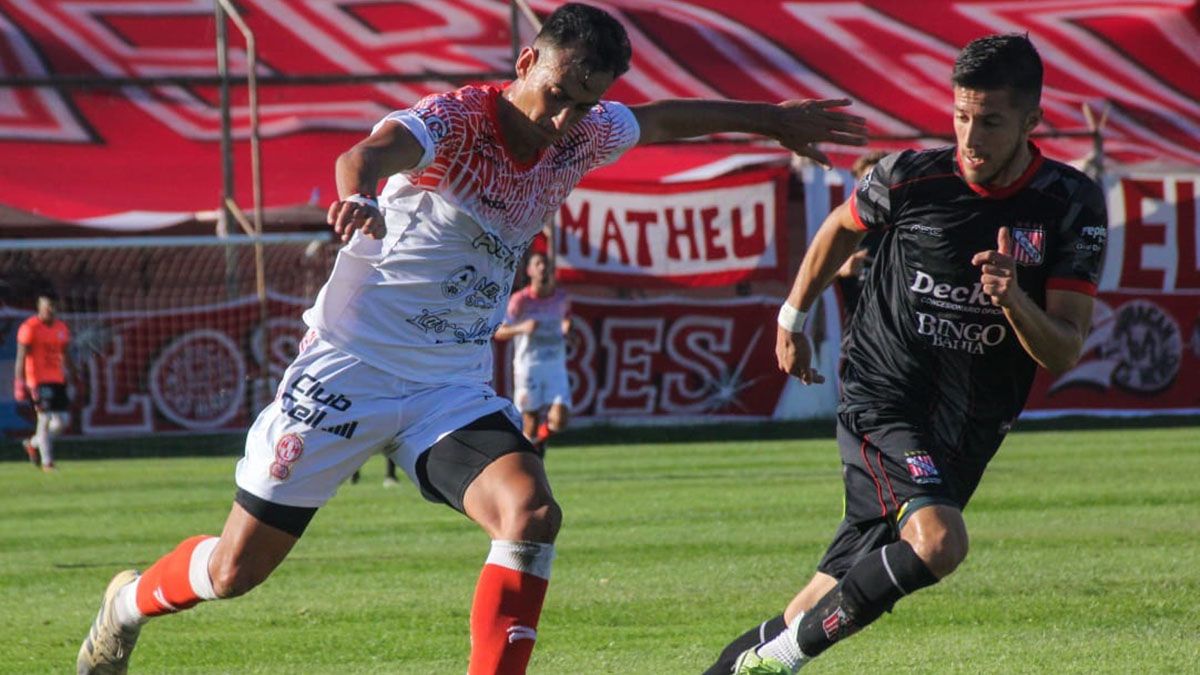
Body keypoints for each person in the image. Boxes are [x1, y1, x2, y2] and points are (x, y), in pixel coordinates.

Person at [75, 3, 866, 673]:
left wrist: (773, 121)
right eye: (556, 95)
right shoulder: (454, 120)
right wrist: (358, 197)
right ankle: (126, 602)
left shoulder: (583, 134)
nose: (564, 120)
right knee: (232, 570)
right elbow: (366, 153)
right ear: (526, 63)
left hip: (446, 386)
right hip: (349, 369)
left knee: (531, 513)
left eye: (584, 105)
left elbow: (659, 120)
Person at [706, 33, 1107, 674]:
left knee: (815, 603)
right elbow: (840, 227)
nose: (970, 137)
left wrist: (1012, 299)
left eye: (990, 121)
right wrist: (792, 316)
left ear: (1032, 120)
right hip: (883, 398)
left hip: (970, 424)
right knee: (940, 543)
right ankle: (782, 660)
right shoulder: (910, 177)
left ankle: (750, 660)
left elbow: (1062, 350)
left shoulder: (1070, 203)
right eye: (961, 115)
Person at [493, 251, 572, 456]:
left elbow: (566, 320)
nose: (542, 268)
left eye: (545, 264)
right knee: (530, 421)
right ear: (529, 270)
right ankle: (532, 455)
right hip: (529, 366)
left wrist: (568, 330)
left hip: (555, 365)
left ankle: (538, 442)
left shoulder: (560, 298)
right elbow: (499, 332)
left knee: (560, 419)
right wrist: (522, 328)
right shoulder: (520, 300)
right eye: (537, 264)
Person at [13, 293, 72, 472]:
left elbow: (65, 354)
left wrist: (74, 373)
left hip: (57, 379)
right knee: (44, 419)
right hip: (38, 381)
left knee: (62, 422)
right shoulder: (29, 328)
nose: (51, 310)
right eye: (48, 307)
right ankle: (47, 463)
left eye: (54, 307)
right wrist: (19, 382)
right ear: (39, 308)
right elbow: (21, 356)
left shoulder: (61, 328)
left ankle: (32, 444)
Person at [832, 150, 887, 318]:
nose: (874, 190)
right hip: (856, 327)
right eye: (867, 182)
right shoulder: (845, 232)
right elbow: (816, 285)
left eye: (881, 181)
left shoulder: (907, 231)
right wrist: (842, 272)